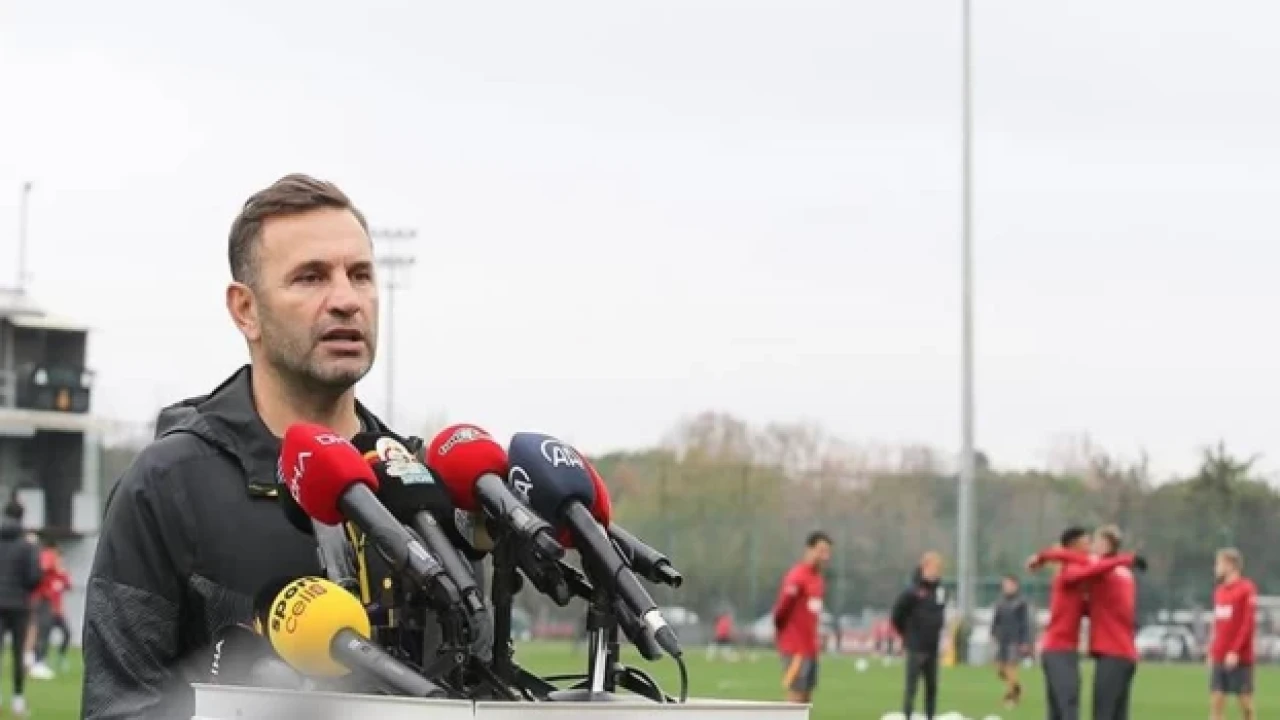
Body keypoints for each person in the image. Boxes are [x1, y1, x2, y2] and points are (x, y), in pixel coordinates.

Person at [80, 174, 487, 719]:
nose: (346, 300)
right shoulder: (169, 482)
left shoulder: (418, 491)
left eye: (360, 275)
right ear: (245, 309)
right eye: (310, 277)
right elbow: (119, 706)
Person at [1032, 524, 1145, 720]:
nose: (1091, 547)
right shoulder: (1121, 573)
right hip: (1113, 653)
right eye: (1087, 542)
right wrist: (1044, 557)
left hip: (1110, 652)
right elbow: (1072, 559)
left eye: (1095, 542)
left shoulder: (1104, 573)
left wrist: (1043, 557)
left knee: (1076, 711)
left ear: (1107, 546)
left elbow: (1077, 561)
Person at [772, 530, 832, 704]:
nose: (825, 557)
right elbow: (781, 610)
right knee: (795, 697)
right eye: (821, 551)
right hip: (795, 648)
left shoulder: (818, 579)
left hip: (811, 648)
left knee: (806, 698)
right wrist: (785, 636)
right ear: (809, 550)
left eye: (827, 552)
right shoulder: (797, 576)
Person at [891, 551, 947, 720]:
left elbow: (941, 613)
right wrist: (906, 634)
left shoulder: (940, 591)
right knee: (912, 687)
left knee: (932, 687)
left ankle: (930, 716)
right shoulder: (912, 591)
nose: (935, 572)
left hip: (933, 646)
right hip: (916, 646)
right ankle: (907, 715)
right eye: (932, 568)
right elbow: (897, 614)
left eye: (937, 569)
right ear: (924, 568)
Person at [0, 501, 42, 717]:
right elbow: (34, 577)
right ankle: (17, 699)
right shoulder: (28, 545)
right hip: (18, 604)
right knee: (18, 653)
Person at [1209, 548, 1256, 720]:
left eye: (1218, 564)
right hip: (1220, 656)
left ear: (1230, 565)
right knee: (1216, 703)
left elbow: (1247, 623)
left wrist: (1235, 651)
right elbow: (1217, 624)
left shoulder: (1246, 589)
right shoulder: (1219, 591)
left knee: (1246, 707)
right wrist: (1211, 649)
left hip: (1240, 657)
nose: (1216, 568)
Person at [28, 537, 72, 679]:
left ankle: (58, 656)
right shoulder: (46, 559)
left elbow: (68, 585)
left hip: (57, 611)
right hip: (44, 606)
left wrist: (61, 571)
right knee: (42, 634)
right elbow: (43, 568)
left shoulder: (59, 574)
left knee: (66, 633)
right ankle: (38, 661)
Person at [990, 573, 1030, 709]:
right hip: (1002, 639)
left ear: (1015, 586)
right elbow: (996, 619)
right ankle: (1019, 688)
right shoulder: (1000, 602)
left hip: (1015, 640)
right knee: (999, 669)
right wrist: (993, 633)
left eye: (1008, 584)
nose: (1006, 587)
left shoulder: (1021, 603)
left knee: (1011, 669)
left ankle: (1011, 698)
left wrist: (1024, 641)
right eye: (1004, 585)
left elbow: (1025, 623)